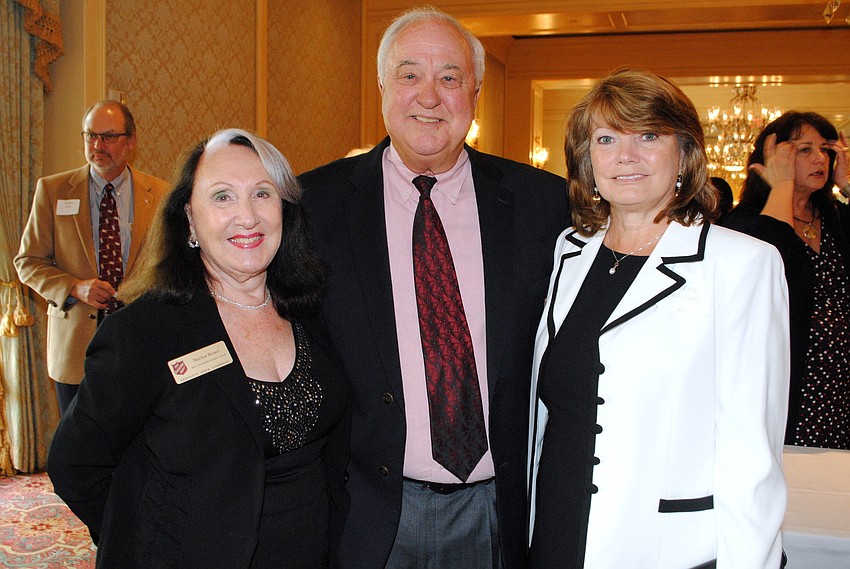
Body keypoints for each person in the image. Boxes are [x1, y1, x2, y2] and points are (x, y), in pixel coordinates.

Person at [298, 7, 568, 569]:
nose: (429, 95)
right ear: (381, 87)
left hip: (502, 508)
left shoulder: (544, 204)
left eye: (449, 77)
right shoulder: (313, 206)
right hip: (370, 510)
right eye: (409, 74)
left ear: (475, 89)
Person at [47, 129, 350, 569]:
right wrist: (149, 538)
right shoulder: (144, 331)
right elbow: (76, 464)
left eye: (262, 194)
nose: (247, 216)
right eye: (222, 197)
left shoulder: (313, 312)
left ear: (285, 210)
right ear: (190, 219)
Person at [527, 68, 789, 568]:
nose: (626, 156)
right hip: (555, 537)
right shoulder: (569, 255)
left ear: (684, 155)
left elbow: (752, 451)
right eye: (606, 139)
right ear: (588, 160)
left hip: (667, 548)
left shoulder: (740, 263)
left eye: (648, 135)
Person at [15, 100, 169, 414]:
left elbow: (171, 264)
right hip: (76, 347)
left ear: (131, 140)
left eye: (109, 137)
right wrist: (73, 287)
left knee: (134, 443)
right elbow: (28, 262)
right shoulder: (54, 190)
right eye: (90, 136)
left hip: (139, 342)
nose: (97, 145)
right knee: (78, 447)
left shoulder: (161, 194)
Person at [722, 111, 850, 449]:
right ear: (772, 156)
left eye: (825, 149)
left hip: (839, 382)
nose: (820, 158)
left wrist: (848, 185)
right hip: (794, 379)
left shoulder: (833, 217)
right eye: (804, 149)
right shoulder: (745, 223)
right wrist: (781, 186)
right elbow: (775, 260)